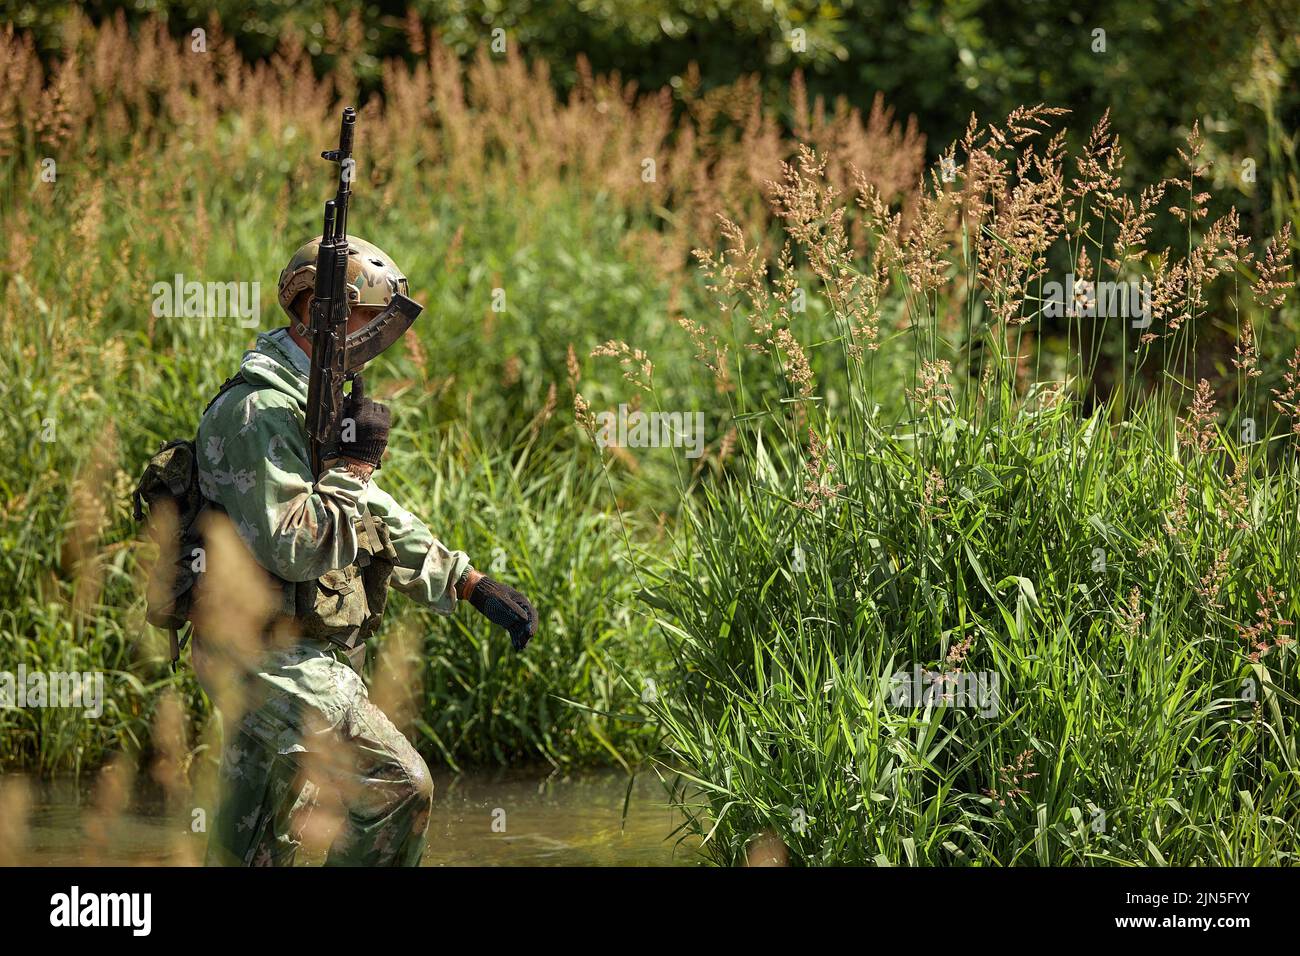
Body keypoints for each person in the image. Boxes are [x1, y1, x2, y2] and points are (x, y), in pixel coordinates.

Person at [192, 236, 538, 866]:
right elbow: (296, 545)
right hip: (267, 656)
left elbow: (371, 514)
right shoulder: (261, 412)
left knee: (251, 852)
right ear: (326, 316)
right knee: (398, 786)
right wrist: (354, 467)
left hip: (275, 649)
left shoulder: (302, 403)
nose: (378, 337)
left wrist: (465, 581)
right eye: (368, 319)